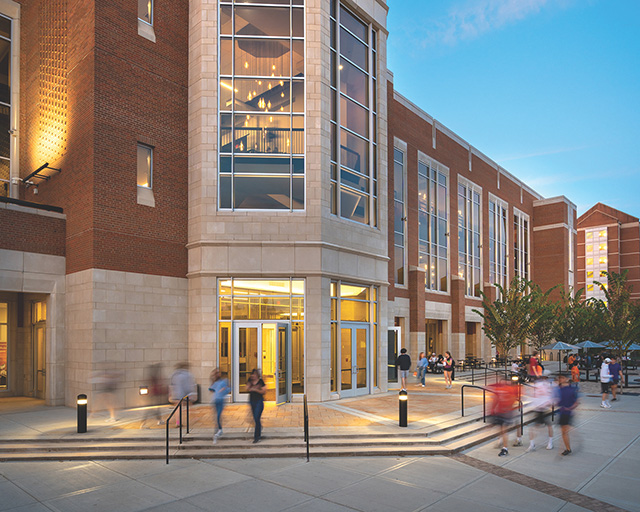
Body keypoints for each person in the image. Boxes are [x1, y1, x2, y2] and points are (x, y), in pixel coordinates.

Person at [488, 377, 520, 456]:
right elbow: (496, 399)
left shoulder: (509, 389)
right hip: (501, 411)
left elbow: (512, 399)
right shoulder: (502, 389)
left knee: (503, 429)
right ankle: (502, 442)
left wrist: (507, 408)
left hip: (506, 412)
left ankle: (505, 447)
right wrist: (492, 409)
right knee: (501, 429)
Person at [526, 370, 554, 452]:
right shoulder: (539, 385)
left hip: (544, 408)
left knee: (548, 425)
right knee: (534, 426)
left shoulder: (548, 385)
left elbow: (550, 396)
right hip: (539, 408)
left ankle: (550, 442)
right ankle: (532, 444)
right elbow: (534, 395)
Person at [556, 374, 579, 455]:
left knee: (564, 431)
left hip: (567, 412)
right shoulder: (559, 389)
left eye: (562, 377)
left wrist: (569, 408)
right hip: (562, 412)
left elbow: (576, 402)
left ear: (567, 379)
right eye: (560, 378)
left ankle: (568, 448)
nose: (560, 379)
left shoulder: (572, 389)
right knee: (563, 431)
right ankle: (567, 448)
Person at [209, 368, 230, 443]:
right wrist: (212, 379)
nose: (217, 374)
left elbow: (228, 389)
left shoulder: (224, 381)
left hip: (221, 400)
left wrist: (224, 389)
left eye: (218, 373)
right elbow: (211, 389)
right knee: (217, 416)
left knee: (218, 415)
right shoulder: (215, 382)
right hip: (215, 400)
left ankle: (219, 429)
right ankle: (217, 428)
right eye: (216, 373)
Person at [246, 368, 266, 443]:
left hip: (259, 401)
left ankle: (257, 437)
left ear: (257, 375)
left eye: (254, 374)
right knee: (255, 418)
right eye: (252, 374)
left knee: (257, 418)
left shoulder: (261, 382)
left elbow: (264, 391)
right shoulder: (250, 381)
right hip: (252, 401)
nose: (253, 376)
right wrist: (249, 387)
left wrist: (255, 390)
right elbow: (247, 388)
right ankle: (259, 428)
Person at [141, 363, 163, 428]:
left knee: (155, 408)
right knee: (151, 409)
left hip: (153, 394)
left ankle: (159, 419)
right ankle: (143, 423)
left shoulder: (152, 377)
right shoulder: (154, 377)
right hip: (155, 394)